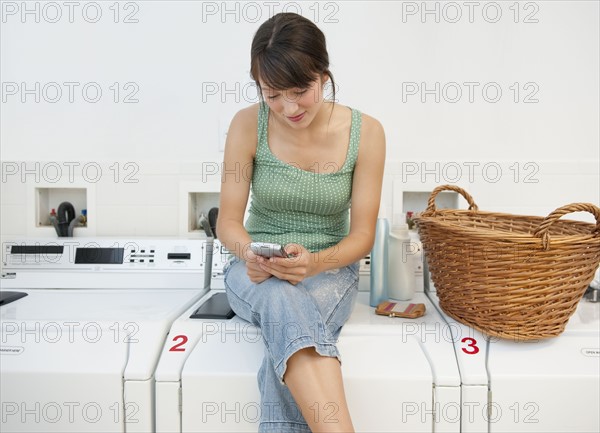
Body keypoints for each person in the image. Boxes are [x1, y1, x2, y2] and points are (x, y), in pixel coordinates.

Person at [216, 12, 385, 433]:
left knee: (284, 320)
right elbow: (229, 222)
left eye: (300, 91)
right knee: (278, 295)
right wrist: (249, 253)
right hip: (252, 271)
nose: (288, 108)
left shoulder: (367, 133)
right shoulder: (245, 125)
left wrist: (315, 263)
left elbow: (362, 235)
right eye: (272, 95)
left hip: (329, 269)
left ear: (323, 76)